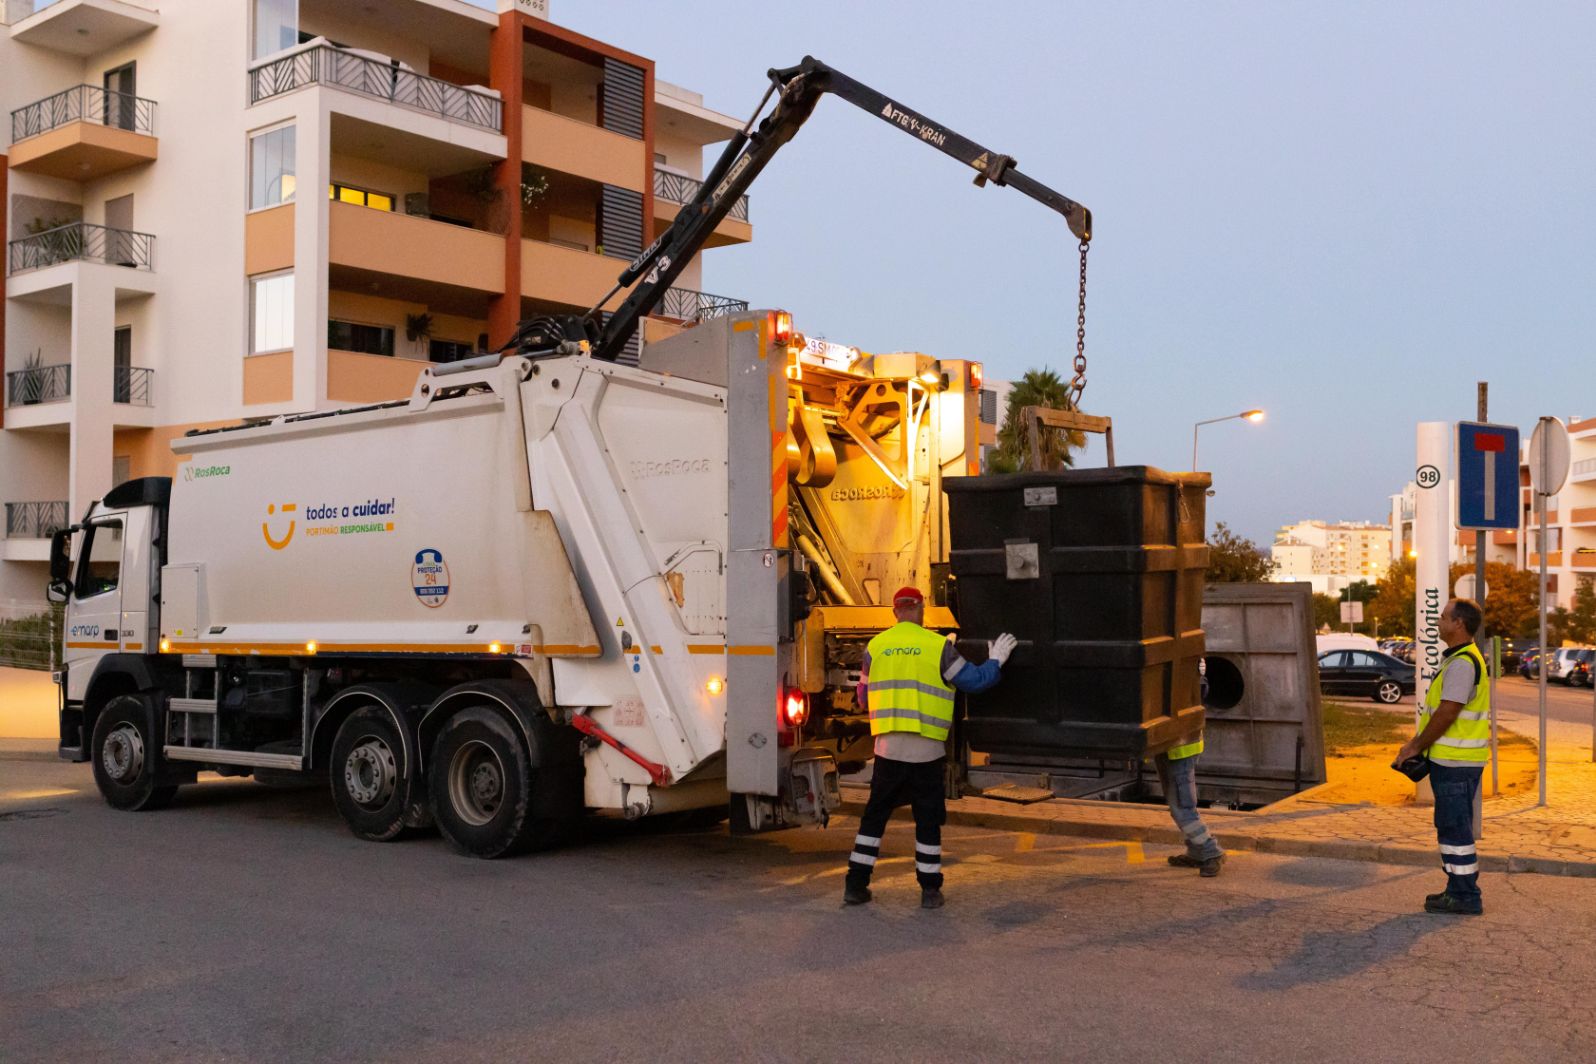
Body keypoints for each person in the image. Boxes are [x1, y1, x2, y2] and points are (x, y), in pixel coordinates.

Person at [843, 586, 1016, 910]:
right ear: (921, 609)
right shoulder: (938, 647)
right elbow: (976, 681)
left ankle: (855, 885)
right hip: (926, 753)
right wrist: (996, 660)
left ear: (895, 612)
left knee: (874, 818)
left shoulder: (875, 648)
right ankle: (930, 891)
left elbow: (863, 697)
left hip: (887, 751)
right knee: (927, 820)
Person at [1393, 597, 1489, 916]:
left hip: (1455, 763)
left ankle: (1464, 895)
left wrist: (1415, 746)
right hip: (1455, 761)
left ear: (1458, 624)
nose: (1438, 620)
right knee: (1452, 826)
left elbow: (1448, 711)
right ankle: (1457, 888)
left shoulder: (1462, 662)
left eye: (1443, 616)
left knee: (1454, 827)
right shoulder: (1459, 659)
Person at [1156, 730, 1225, 877]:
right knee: (1178, 806)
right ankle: (1196, 852)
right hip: (1170, 747)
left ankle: (1210, 851)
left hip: (1179, 748)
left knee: (1182, 808)